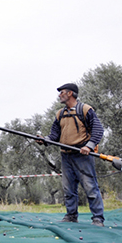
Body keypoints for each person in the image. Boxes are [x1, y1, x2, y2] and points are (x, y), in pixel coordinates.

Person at [36, 83, 105, 227]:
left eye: (62, 92)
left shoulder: (85, 110)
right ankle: (71, 216)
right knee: (68, 189)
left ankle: (98, 218)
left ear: (70, 94)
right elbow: (54, 135)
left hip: (82, 155)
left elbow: (98, 130)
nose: (59, 95)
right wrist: (44, 140)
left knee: (90, 187)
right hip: (66, 156)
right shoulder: (60, 114)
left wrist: (89, 146)